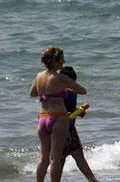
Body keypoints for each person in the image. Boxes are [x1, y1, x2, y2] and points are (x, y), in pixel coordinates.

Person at [29, 46, 87, 182]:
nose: (63, 63)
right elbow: (82, 90)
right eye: (61, 60)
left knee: (44, 158)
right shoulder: (60, 77)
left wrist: (47, 93)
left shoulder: (39, 76)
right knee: (55, 158)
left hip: (43, 119)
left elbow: (32, 93)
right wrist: (64, 88)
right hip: (58, 118)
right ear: (55, 61)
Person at [58, 66, 99, 182]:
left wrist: (78, 112)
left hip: (70, 129)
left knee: (72, 157)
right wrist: (64, 114)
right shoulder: (59, 93)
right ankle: (92, 179)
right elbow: (54, 109)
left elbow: (70, 108)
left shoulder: (73, 93)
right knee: (68, 158)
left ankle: (92, 179)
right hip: (60, 130)